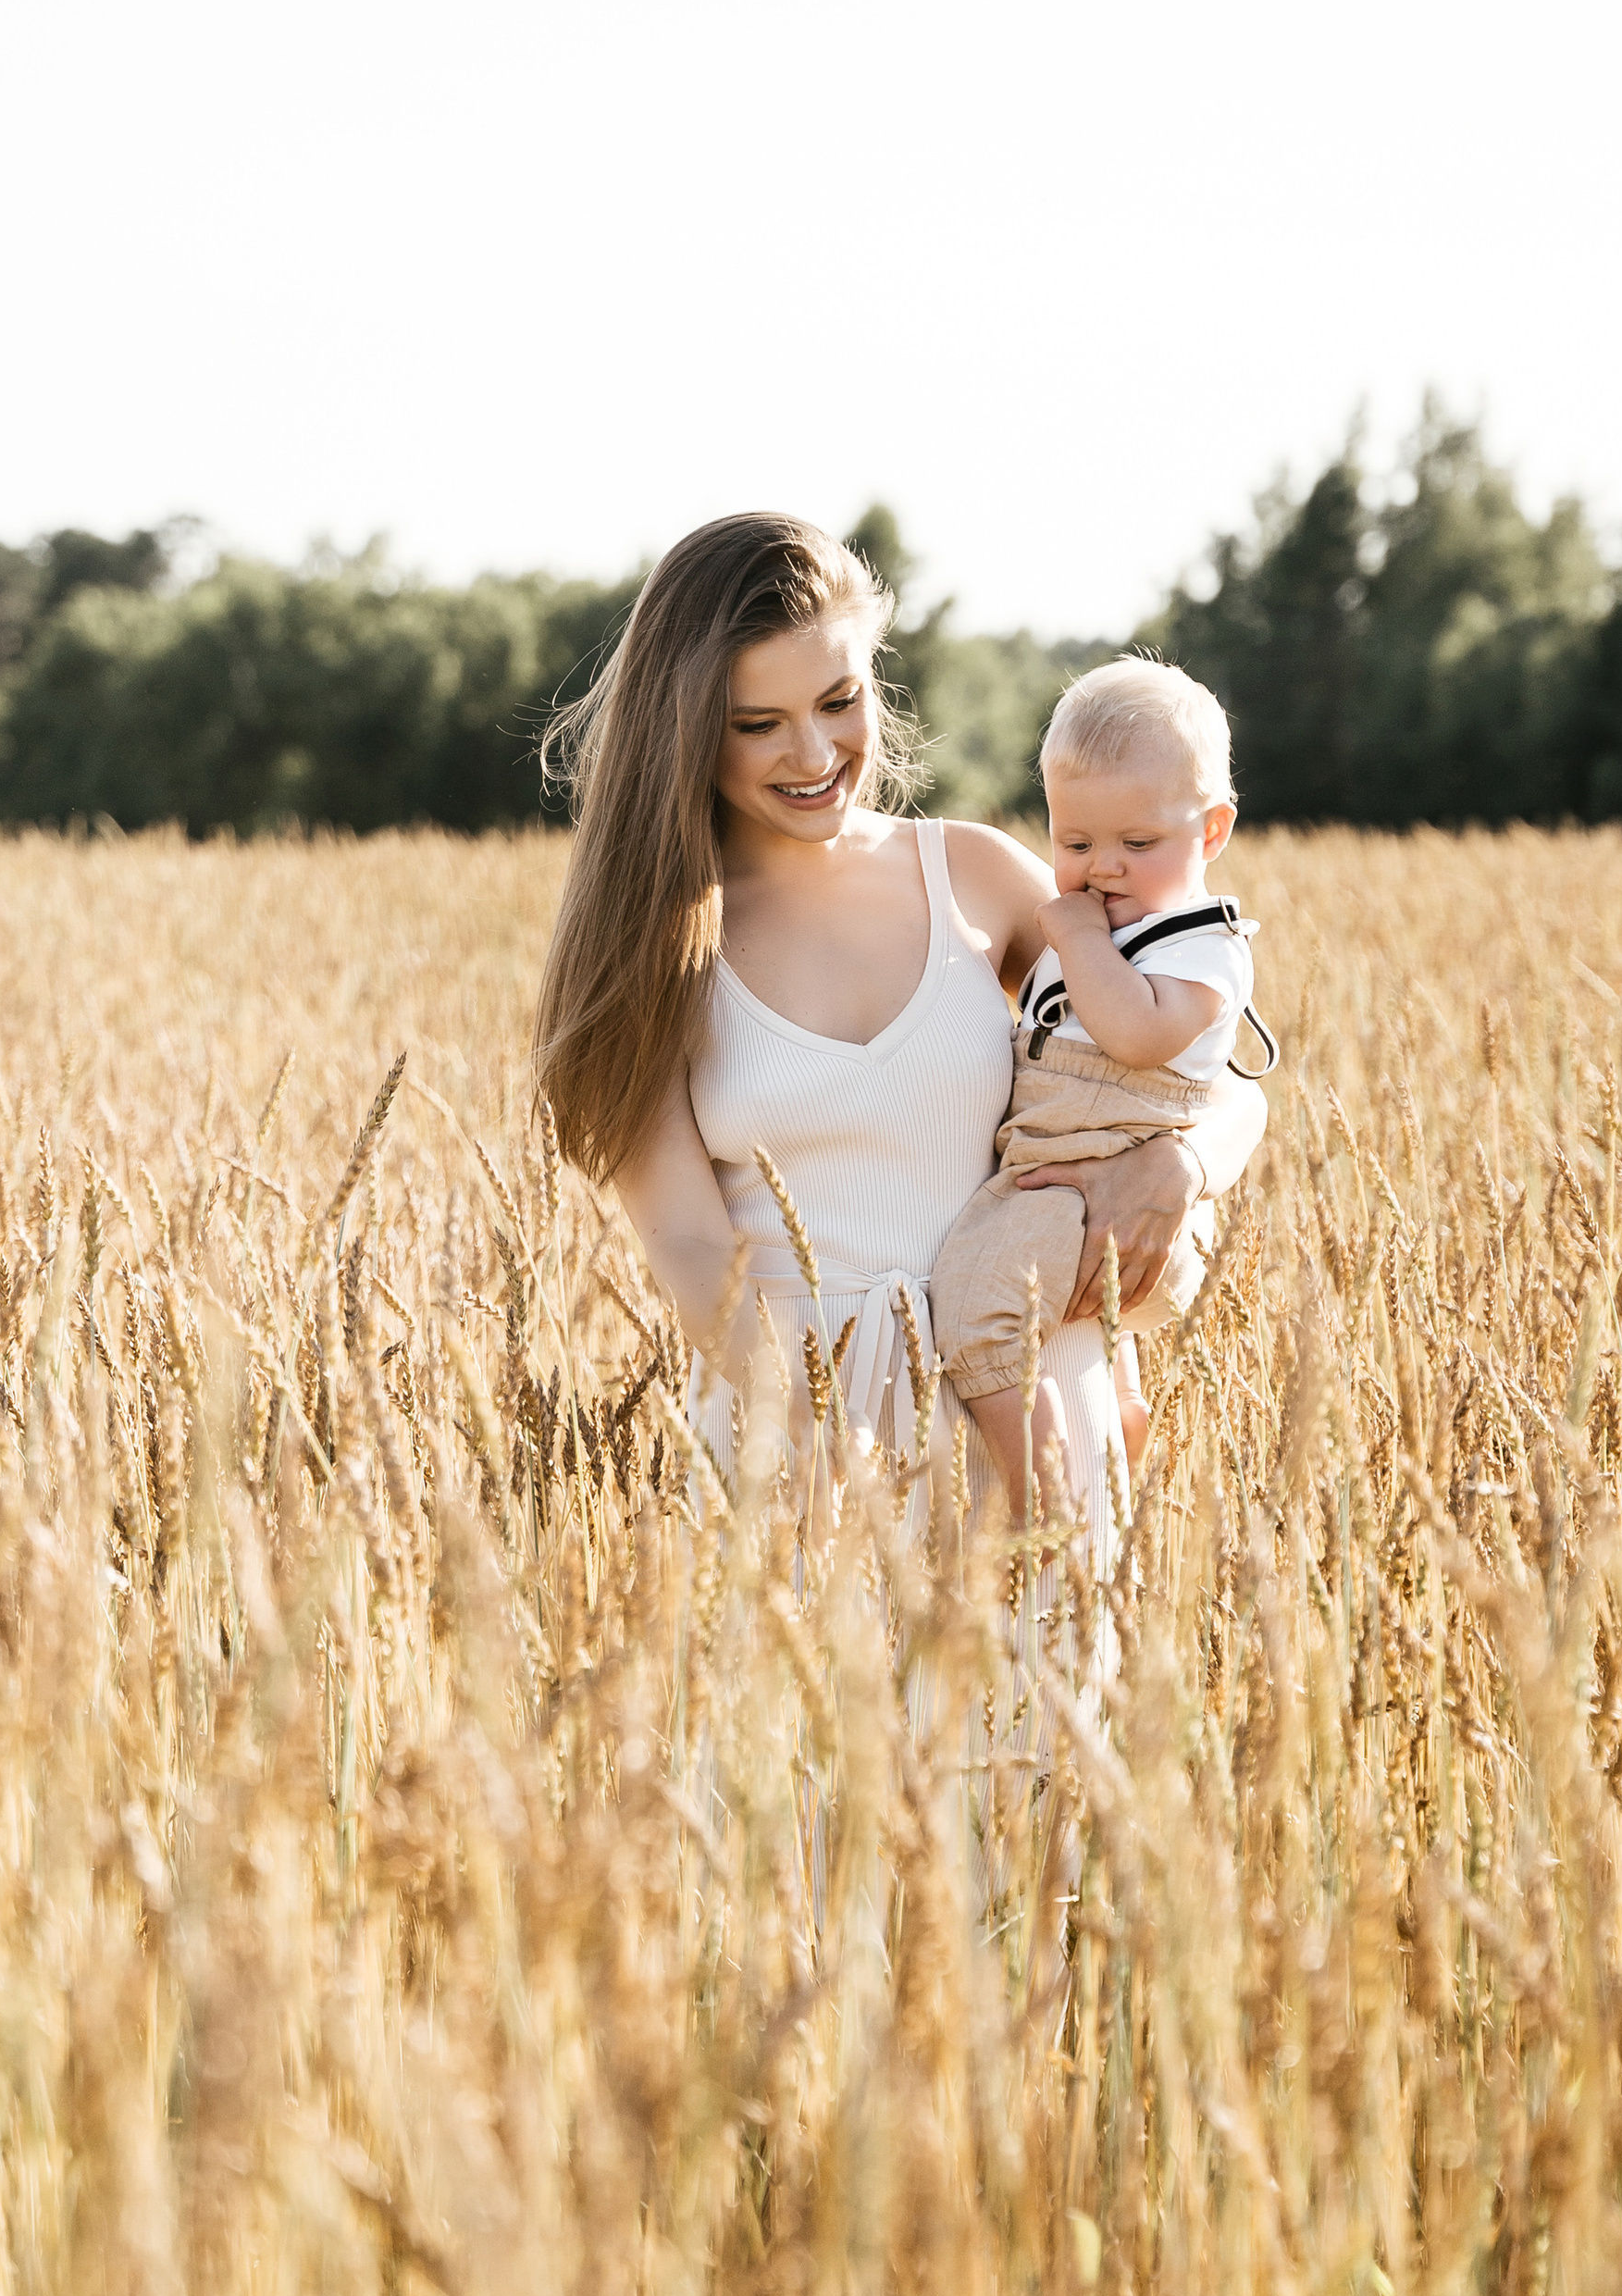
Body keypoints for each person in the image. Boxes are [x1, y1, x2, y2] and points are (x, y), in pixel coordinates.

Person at [532, 513, 1266, 1537]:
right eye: (757, 723)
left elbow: (1210, 1068)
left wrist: (1182, 1169)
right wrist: (822, 1448)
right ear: (685, 727)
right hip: (801, 1445)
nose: (815, 751)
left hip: (1031, 1395)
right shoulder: (648, 948)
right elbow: (695, 1252)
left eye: (840, 700)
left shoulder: (972, 877)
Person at [930, 654, 1274, 1512]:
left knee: (974, 1314)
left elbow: (1135, 1032)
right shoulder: (1103, 926)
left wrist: (1077, 939)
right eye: (1076, 844)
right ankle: (1119, 1410)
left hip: (1102, 1187)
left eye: (1137, 843)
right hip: (1059, 1177)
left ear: (1213, 832)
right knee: (1064, 1308)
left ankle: (1042, 1494)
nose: (1103, 869)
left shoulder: (1201, 945)